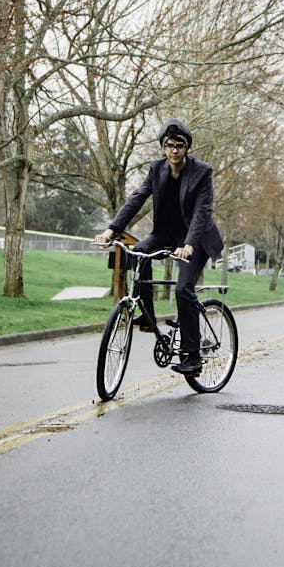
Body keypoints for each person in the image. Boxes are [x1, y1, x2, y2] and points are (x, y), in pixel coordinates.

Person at [97, 119, 223, 376]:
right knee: (138, 252)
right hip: (166, 233)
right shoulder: (156, 169)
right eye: (169, 146)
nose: (174, 150)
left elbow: (202, 212)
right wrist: (111, 231)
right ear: (163, 148)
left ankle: (193, 356)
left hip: (195, 238)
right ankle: (148, 315)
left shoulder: (202, 172)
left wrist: (188, 245)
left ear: (186, 148)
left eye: (179, 146)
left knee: (182, 289)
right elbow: (136, 199)